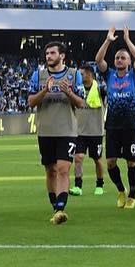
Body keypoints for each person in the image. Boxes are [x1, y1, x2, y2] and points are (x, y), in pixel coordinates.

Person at [27, 41, 85, 225]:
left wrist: (69, 93)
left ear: (62, 56)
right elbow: (31, 102)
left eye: (52, 53)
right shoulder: (38, 75)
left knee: (63, 169)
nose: (48, 56)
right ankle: (55, 207)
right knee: (50, 171)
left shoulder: (74, 74)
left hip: (67, 130)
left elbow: (81, 103)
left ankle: (61, 208)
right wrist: (45, 89)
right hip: (45, 131)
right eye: (47, 53)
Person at [95, 27, 135, 209]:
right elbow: (98, 60)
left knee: (131, 162)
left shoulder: (134, 76)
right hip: (112, 125)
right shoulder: (109, 75)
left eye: (123, 58)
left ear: (129, 61)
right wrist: (108, 40)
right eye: (117, 58)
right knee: (110, 162)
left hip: (130, 125)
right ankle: (121, 190)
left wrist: (127, 40)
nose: (119, 60)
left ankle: (132, 196)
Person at [71, 62, 106, 198]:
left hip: (96, 131)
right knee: (78, 158)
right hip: (79, 131)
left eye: (82, 74)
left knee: (97, 159)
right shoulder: (77, 90)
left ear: (90, 74)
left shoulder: (100, 90)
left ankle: (100, 184)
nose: (79, 76)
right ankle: (78, 185)